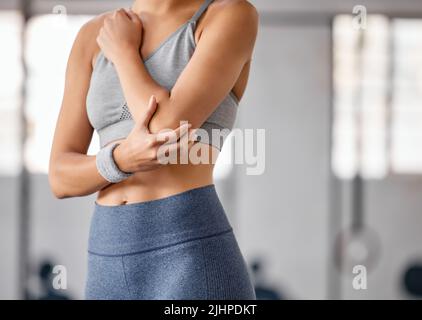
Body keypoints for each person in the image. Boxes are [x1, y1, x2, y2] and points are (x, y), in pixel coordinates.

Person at [48, 0, 258, 299]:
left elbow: (163, 133)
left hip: (189, 255)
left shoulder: (229, 15)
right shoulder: (94, 34)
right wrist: (121, 159)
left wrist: (123, 53)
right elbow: (60, 177)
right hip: (106, 256)